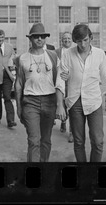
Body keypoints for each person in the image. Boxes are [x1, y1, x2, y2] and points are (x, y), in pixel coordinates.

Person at [56, 23, 106, 162]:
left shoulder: (100, 54)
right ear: (74, 41)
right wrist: (60, 105)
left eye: (85, 40)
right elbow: (60, 81)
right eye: (78, 41)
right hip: (75, 103)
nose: (82, 44)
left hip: (94, 102)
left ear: (91, 38)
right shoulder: (68, 55)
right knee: (78, 141)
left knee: (98, 140)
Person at [14, 23, 64, 162]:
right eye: (36, 37)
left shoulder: (53, 56)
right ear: (30, 39)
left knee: (46, 140)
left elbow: (60, 80)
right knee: (34, 140)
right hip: (30, 102)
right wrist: (18, 106)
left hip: (49, 101)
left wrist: (60, 104)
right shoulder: (22, 58)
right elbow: (18, 84)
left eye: (42, 36)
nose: (39, 39)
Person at [55, 32, 74, 143]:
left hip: (72, 83)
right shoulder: (56, 52)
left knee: (72, 107)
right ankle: (63, 122)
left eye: (68, 38)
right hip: (60, 82)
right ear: (61, 40)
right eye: (64, 38)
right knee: (62, 105)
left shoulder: (75, 51)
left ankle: (72, 132)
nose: (67, 40)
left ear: (71, 40)